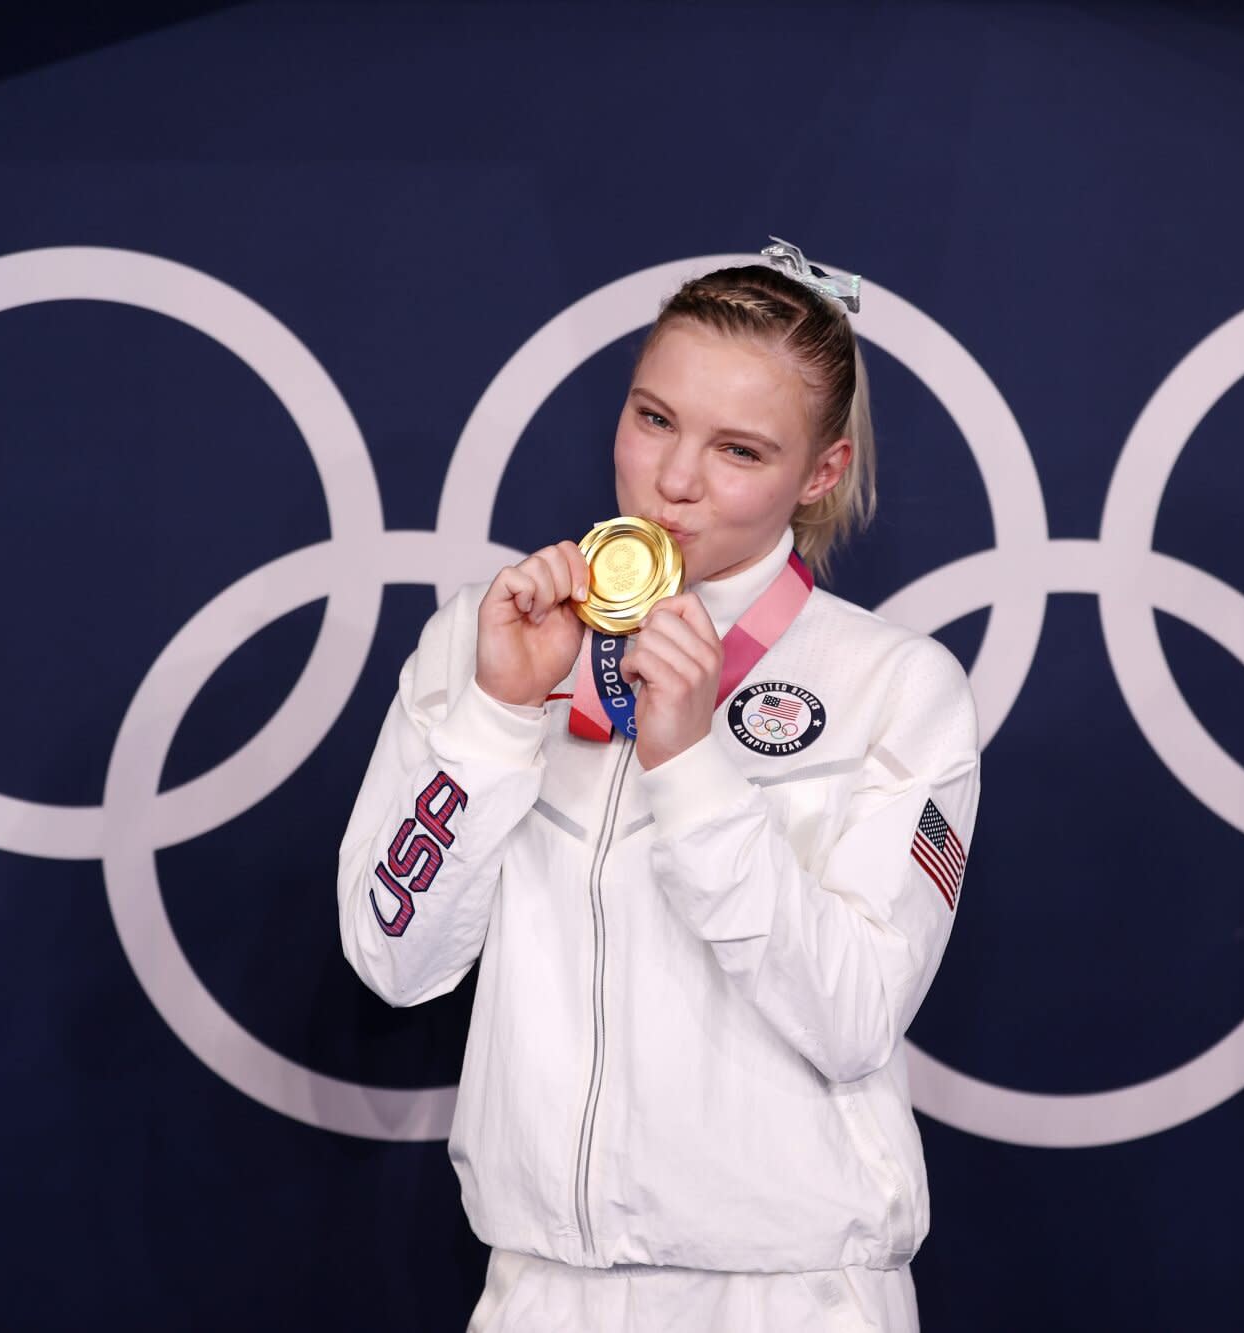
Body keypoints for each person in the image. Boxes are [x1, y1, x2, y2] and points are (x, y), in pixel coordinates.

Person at [337, 239, 981, 1332]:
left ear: (818, 473)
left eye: (737, 449)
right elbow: (390, 957)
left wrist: (691, 771)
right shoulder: (489, 638)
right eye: (652, 419)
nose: (674, 480)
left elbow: (854, 1016)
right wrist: (495, 719)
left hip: (790, 1296)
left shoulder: (892, 686)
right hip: (539, 1290)